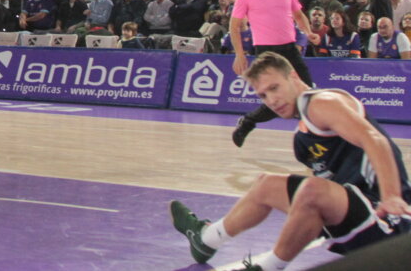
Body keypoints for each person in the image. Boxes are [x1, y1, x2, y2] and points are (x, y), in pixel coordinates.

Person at [170, 51, 410, 270]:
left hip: (390, 222)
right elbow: (325, 195)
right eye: (263, 95)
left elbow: (374, 140)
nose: (271, 100)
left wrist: (391, 196)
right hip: (357, 217)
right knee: (267, 185)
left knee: (311, 191)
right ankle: (206, 238)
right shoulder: (302, 140)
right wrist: (306, 224)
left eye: (275, 88)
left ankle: (268, 267)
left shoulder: (321, 103)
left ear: (294, 76)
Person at [229, 0, 321, 148]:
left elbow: (298, 14)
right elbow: (233, 26)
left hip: (289, 48)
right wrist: (239, 54)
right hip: (266, 51)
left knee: (306, 92)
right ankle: (248, 122)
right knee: (276, 96)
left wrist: (309, 32)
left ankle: (315, 137)